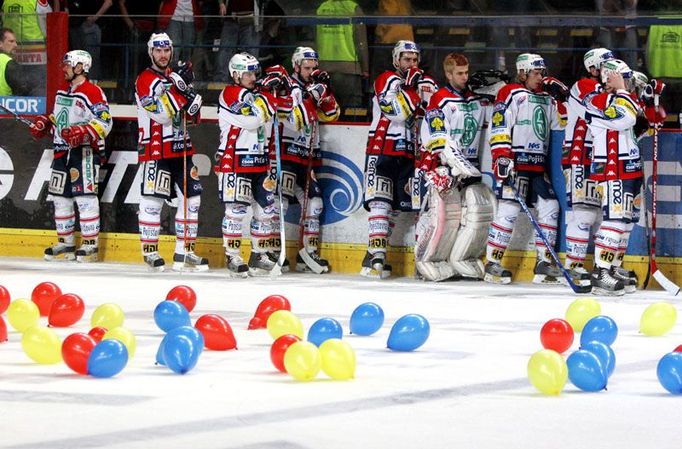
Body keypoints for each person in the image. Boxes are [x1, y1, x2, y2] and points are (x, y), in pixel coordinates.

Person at [214, 52, 300, 276]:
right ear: (235, 74)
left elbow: (291, 112)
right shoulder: (230, 93)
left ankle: (258, 253)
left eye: (255, 73)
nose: (252, 77)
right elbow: (253, 119)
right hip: (235, 161)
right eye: (247, 73)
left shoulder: (259, 95)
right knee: (236, 211)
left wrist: (287, 85)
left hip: (261, 162)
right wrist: (266, 94)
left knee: (266, 210)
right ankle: (232, 256)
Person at [415, 52, 496, 281]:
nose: (464, 77)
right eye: (459, 73)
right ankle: (423, 260)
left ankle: (460, 259)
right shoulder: (439, 99)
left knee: (475, 213)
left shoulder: (475, 99)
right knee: (440, 216)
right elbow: (438, 137)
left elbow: (496, 114)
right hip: (440, 166)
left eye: (466, 72)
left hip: (468, 166)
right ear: (448, 74)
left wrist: (497, 91)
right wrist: (450, 162)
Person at [484, 53, 564, 285]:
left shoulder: (547, 98)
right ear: (523, 73)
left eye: (542, 73)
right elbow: (499, 124)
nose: (541, 77)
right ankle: (492, 263)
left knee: (550, 205)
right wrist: (501, 156)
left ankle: (543, 264)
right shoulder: (510, 93)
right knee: (508, 209)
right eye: (536, 73)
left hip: (538, 164)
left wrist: (564, 99)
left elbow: (560, 124)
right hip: (516, 162)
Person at [29, 50, 111, 262]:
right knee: (60, 198)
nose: (64, 68)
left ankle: (90, 244)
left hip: (83, 153)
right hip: (61, 152)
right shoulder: (62, 93)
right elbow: (59, 122)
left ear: (80, 67)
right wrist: (45, 124)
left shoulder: (93, 92)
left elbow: (105, 122)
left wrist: (82, 131)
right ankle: (66, 242)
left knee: (85, 198)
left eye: (68, 64)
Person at [134, 32, 207, 272]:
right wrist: (179, 91)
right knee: (153, 202)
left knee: (192, 200)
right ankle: (150, 252)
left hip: (182, 148)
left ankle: (184, 251)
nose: (163, 55)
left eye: (166, 51)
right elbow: (161, 114)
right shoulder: (145, 80)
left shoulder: (177, 78)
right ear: (150, 52)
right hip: (156, 150)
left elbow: (193, 118)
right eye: (158, 50)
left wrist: (190, 94)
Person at [360, 40, 427, 279]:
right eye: (406, 59)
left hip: (410, 152)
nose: (411, 63)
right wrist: (410, 90)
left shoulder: (421, 82)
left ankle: (372, 254)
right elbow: (396, 113)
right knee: (381, 202)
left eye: (414, 59)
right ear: (396, 60)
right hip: (382, 148)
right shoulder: (386, 79)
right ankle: (377, 253)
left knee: (399, 206)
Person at [274, 46, 340, 273]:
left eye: (314, 67)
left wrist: (326, 92)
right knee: (279, 203)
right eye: (306, 67)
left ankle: (307, 253)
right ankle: (274, 252)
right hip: (286, 153)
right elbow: (291, 119)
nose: (311, 71)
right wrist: (310, 97)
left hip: (308, 153)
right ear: (296, 66)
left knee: (315, 202)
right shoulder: (285, 85)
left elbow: (332, 114)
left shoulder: (314, 86)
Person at [582, 59, 643, 295]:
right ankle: (600, 271)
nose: (627, 82)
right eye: (623, 77)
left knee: (626, 223)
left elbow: (638, 125)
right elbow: (625, 119)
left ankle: (613, 267)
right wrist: (622, 90)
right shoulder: (598, 100)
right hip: (612, 168)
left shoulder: (622, 98)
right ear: (610, 78)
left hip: (629, 166)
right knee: (615, 220)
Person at [561, 47, 615, 288]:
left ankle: (606, 267)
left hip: (598, 156)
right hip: (579, 155)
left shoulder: (608, 90)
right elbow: (600, 108)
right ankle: (574, 266)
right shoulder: (584, 85)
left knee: (605, 215)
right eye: (606, 65)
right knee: (583, 213)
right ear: (593, 69)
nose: (612, 70)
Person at [316, 0, 369, 109]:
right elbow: (361, 42)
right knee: (351, 109)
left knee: (326, 109)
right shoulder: (353, 8)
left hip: (324, 67)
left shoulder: (322, 8)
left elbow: (314, 37)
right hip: (349, 68)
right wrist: (365, 68)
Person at [0, 0, 51, 96]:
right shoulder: (37, 1)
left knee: (15, 84)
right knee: (38, 86)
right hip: (35, 50)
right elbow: (49, 18)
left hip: (12, 50)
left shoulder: (6, 1)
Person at [213, 0, 261, 83]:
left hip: (249, 19)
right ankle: (220, 81)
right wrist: (221, 3)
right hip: (231, 18)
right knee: (225, 51)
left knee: (250, 53)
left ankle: (251, 79)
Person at [65, 0, 113, 81]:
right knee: (76, 59)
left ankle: (92, 83)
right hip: (74, 25)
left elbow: (108, 2)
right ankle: (79, 83)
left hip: (90, 25)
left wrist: (95, 17)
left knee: (90, 58)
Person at [0, 28, 30, 96]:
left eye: (15, 41)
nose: (15, 45)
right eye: (11, 41)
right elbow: (22, 91)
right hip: (5, 105)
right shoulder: (9, 63)